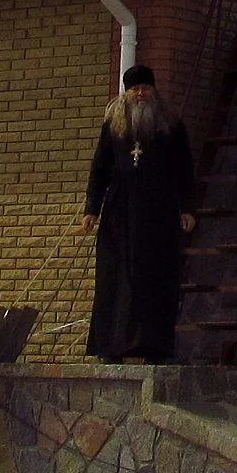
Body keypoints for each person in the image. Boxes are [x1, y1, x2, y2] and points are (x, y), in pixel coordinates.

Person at [80, 64, 197, 362]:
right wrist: (91, 209)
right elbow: (100, 169)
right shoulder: (114, 126)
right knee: (114, 278)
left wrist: (188, 209)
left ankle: (154, 348)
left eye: (145, 88)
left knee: (155, 278)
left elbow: (184, 170)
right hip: (119, 214)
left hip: (158, 213)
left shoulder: (170, 125)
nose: (140, 93)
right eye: (135, 89)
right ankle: (111, 348)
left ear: (153, 91)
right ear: (127, 93)